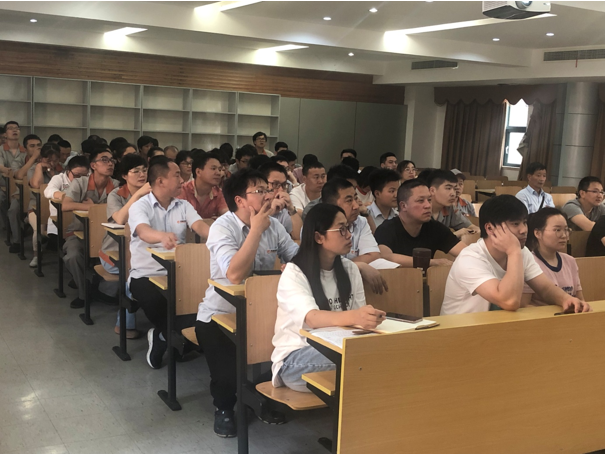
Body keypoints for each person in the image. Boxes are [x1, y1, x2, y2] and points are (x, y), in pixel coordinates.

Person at [194, 168, 299, 437]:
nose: (268, 195)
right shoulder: (222, 227)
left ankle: (259, 398)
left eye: (268, 189)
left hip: (262, 312)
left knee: (283, 356)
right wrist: (255, 231)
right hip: (220, 313)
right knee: (226, 375)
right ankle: (224, 408)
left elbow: (298, 257)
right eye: (260, 191)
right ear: (240, 200)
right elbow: (234, 274)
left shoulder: (274, 225)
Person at [271, 203, 386, 392]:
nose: (349, 235)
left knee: (380, 351)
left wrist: (367, 320)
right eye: (341, 230)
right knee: (366, 358)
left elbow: (358, 325)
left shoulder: (350, 269)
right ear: (318, 237)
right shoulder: (294, 273)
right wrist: (356, 316)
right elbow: (312, 318)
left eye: (348, 228)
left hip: (340, 346)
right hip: (296, 358)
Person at [441, 195, 589, 315]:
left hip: (495, 330)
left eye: (524, 222)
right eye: (515, 224)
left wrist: (565, 299)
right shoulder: (470, 258)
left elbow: (545, 288)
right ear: (490, 228)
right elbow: (509, 301)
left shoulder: (521, 252)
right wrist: (513, 251)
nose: (524, 230)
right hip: (461, 333)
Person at [128, 156, 210, 369]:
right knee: (156, 300)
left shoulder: (183, 205)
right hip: (146, 273)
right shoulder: (140, 206)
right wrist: (161, 236)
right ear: (160, 181)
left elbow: (200, 226)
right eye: (177, 175)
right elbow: (143, 231)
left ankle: (164, 336)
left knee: (202, 299)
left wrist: (219, 237)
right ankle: (173, 337)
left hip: (179, 271)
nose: (183, 179)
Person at [99, 154, 151, 339]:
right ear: (124, 176)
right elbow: (120, 219)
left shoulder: (154, 195)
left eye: (144, 170)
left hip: (143, 252)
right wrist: (138, 194)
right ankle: (124, 324)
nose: (141, 174)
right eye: (135, 171)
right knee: (133, 272)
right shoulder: (115, 194)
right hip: (113, 253)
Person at [62, 146, 120, 309]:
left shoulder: (117, 186)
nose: (110, 163)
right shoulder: (80, 183)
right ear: (93, 165)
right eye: (104, 160)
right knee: (72, 256)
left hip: (108, 237)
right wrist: (92, 208)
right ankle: (83, 293)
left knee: (122, 255)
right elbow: (66, 205)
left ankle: (105, 291)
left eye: (112, 160)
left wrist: (94, 207)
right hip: (80, 233)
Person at [375, 179, 466, 267]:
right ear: (403, 206)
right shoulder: (386, 229)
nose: (428, 205)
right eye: (420, 201)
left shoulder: (435, 228)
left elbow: (467, 253)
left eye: (429, 200)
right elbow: (385, 257)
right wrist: (430, 262)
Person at [321, 178, 387, 293]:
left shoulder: (360, 221)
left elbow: (373, 255)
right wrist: (358, 266)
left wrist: (353, 266)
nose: (356, 206)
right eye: (349, 201)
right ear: (331, 205)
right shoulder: (317, 226)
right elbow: (325, 267)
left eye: (356, 198)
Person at [522, 208, 583, 307]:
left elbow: (580, 299)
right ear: (537, 233)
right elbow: (524, 306)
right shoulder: (529, 262)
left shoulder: (570, 261)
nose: (564, 235)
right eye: (557, 230)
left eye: (566, 230)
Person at [28, 142, 61, 267]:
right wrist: (39, 167)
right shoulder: (33, 169)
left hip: (57, 208)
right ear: (42, 158)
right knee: (38, 228)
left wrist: (53, 174)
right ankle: (36, 255)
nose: (52, 163)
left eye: (55, 160)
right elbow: (37, 186)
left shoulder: (61, 170)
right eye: (48, 160)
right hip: (36, 207)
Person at [7, 134, 42, 253]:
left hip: (41, 195)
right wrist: (33, 158)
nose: (36, 149)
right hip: (22, 194)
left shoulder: (46, 157)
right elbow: (19, 175)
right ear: (25, 149)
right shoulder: (19, 160)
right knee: (13, 210)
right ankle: (17, 241)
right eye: (32, 146)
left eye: (38, 146)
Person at [44, 156, 89, 246]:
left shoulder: (88, 181)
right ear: (68, 170)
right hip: (60, 223)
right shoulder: (59, 178)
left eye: (84, 176)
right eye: (76, 175)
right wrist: (66, 197)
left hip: (82, 223)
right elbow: (48, 191)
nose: (79, 179)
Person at [427, 170, 479, 237]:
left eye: (454, 189)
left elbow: (471, 227)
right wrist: (454, 235)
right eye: (448, 188)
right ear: (432, 190)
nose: (453, 194)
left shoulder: (450, 208)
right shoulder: (420, 209)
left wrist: (475, 230)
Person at [178, 152, 228, 219]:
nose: (219, 173)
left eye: (219, 169)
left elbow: (227, 216)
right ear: (198, 172)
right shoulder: (182, 191)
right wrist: (212, 220)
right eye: (213, 168)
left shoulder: (218, 192)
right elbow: (179, 221)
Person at [259, 161, 301, 238]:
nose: (281, 189)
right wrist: (270, 212)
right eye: (275, 184)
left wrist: (291, 209)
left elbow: (299, 237)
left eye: (284, 185)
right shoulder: (253, 206)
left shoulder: (283, 209)